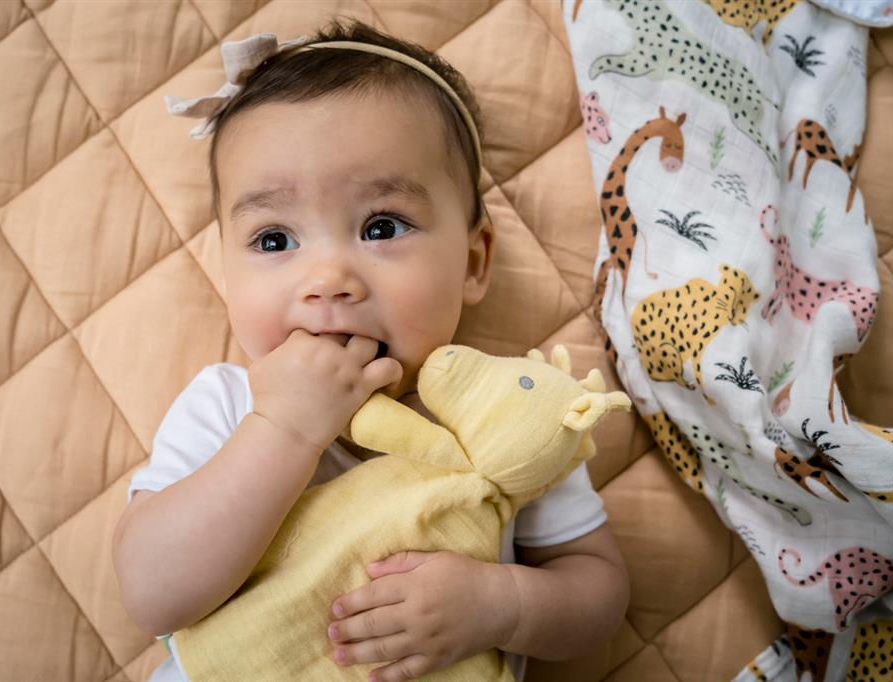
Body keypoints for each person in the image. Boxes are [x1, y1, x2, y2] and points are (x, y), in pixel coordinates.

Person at [112, 18, 629, 682]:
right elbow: (151, 593)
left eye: (381, 226)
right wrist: (284, 431)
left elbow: (599, 591)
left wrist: (502, 604)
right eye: (274, 240)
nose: (328, 280)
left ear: (473, 262)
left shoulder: (512, 417)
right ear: (225, 273)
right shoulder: (229, 406)